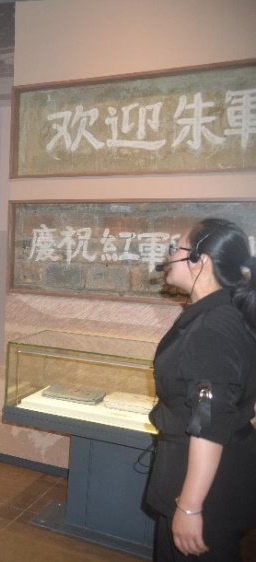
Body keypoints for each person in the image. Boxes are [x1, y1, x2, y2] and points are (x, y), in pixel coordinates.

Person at [145, 218, 256, 561]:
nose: (169, 256)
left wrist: (190, 506)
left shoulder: (213, 328)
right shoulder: (227, 312)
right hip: (212, 478)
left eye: (176, 248)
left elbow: (210, 420)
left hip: (203, 491)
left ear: (199, 260)